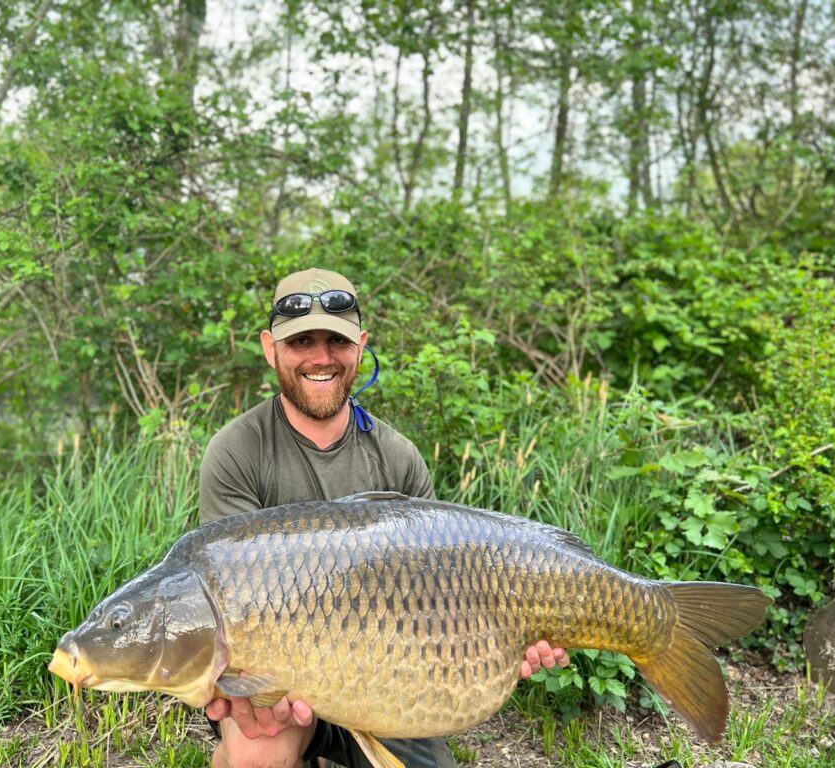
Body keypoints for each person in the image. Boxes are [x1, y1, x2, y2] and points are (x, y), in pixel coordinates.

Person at [198, 267, 569, 768]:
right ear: (271, 348)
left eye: (336, 340)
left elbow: (442, 599)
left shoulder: (398, 457)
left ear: (360, 345)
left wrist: (510, 635)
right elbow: (225, 597)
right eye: (301, 340)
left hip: (393, 678)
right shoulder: (238, 451)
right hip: (280, 680)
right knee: (256, 752)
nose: (321, 357)